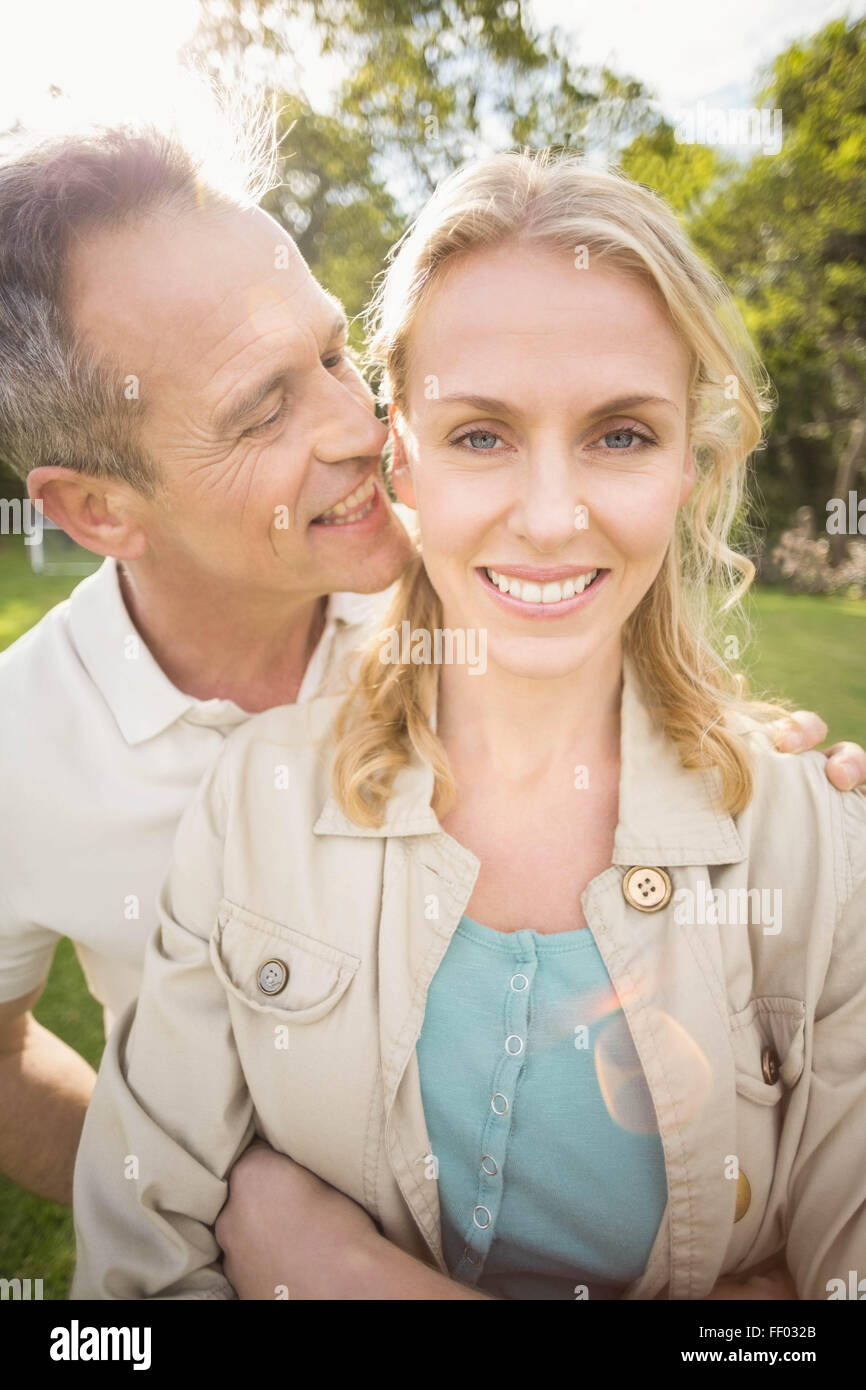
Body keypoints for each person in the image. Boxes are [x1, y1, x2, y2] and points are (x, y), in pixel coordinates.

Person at [72, 150, 866, 1301]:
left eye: (621, 434)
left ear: (690, 467)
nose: (549, 517)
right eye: (480, 435)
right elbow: (129, 1287)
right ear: (399, 455)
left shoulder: (818, 843)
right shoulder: (254, 805)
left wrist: (342, 1273)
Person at [0, 120, 412, 1207]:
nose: (361, 425)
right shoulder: (16, 746)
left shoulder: (480, 599)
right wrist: (205, 1214)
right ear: (96, 510)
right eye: (263, 409)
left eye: (333, 354)